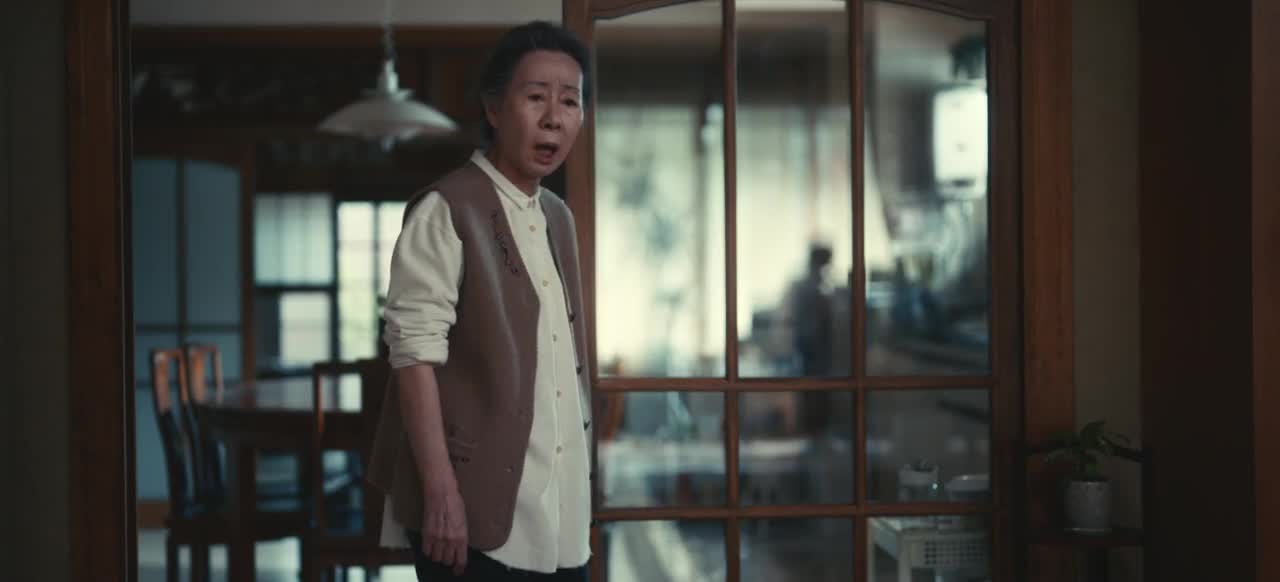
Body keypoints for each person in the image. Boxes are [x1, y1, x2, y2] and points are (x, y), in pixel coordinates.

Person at [366, 21, 592, 581]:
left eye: (570, 101)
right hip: (469, 508)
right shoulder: (446, 208)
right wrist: (440, 491)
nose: (554, 117)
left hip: (557, 508)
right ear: (493, 108)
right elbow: (413, 357)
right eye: (535, 97)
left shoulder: (557, 217)